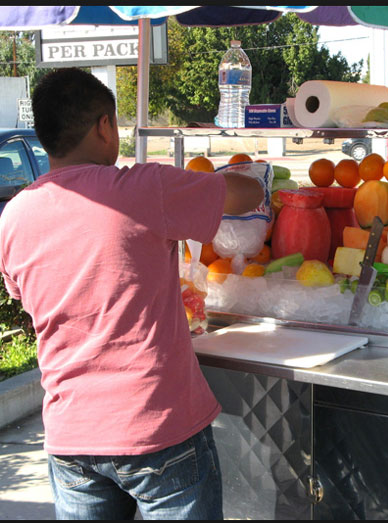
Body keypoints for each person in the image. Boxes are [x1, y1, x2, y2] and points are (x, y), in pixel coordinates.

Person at [0, 67, 264, 520]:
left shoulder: (15, 216)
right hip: (158, 427)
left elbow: (36, 296)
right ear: (104, 126)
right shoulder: (143, 188)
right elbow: (246, 194)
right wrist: (243, 175)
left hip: (71, 437)